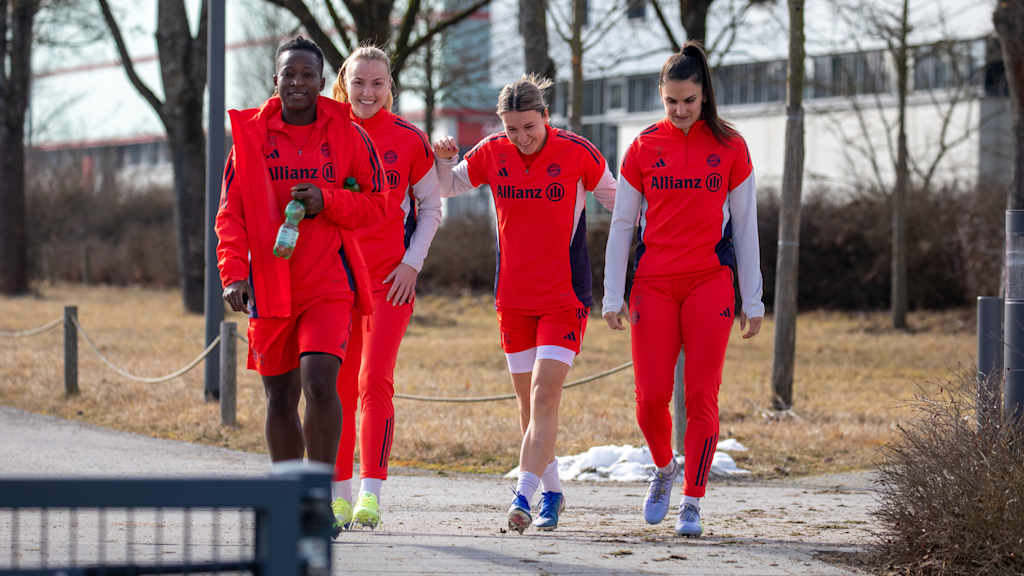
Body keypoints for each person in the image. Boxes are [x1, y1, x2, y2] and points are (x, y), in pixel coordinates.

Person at [215, 36, 386, 535]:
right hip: (269, 285)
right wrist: (234, 274)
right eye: (289, 74)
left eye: (308, 74)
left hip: (327, 281)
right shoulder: (248, 137)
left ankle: (319, 498)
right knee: (280, 395)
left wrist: (327, 201)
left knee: (319, 380)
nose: (297, 83)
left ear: (320, 80)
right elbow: (231, 215)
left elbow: (376, 204)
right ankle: (289, 500)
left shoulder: (348, 133)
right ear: (276, 79)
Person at [433, 74, 616, 533]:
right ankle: (552, 492)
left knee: (544, 395)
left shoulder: (578, 152)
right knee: (527, 409)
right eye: (512, 128)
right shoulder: (493, 151)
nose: (522, 137)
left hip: (564, 298)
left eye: (529, 127)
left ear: (546, 118)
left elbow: (623, 203)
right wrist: (442, 159)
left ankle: (522, 496)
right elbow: (446, 188)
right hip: (512, 298)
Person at [602, 42, 764, 538]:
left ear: (704, 95)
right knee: (650, 399)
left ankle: (692, 500)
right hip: (652, 285)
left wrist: (753, 298)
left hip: (709, 283)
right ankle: (664, 469)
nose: (679, 110)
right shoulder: (643, 147)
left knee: (700, 395)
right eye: (671, 101)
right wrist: (613, 293)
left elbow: (746, 227)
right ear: (661, 96)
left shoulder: (732, 148)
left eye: (688, 101)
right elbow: (623, 224)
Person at [327, 46, 443, 530]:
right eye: (359, 82)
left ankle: (370, 494)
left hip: (389, 284)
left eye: (378, 83)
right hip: (334, 282)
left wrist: (412, 265)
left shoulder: (409, 139)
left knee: (374, 381)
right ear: (344, 84)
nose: (368, 92)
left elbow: (432, 209)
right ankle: (336, 496)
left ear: (390, 86)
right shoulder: (325, 131)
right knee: (335, 388)